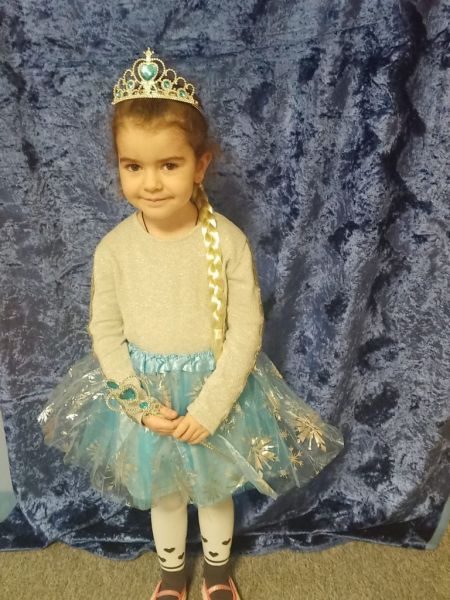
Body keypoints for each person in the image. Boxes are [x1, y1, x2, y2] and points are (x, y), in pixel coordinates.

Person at [37, 47, 345, 600]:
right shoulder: (113, 249)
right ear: (118, 166)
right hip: (148, 395)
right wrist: (135, 402)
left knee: (214, 489)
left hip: (214, 391)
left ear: (201, 164)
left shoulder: (226, 241)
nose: (151, 183)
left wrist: (211, 407)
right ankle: (172, 573)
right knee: (166, 493)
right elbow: (104, 331)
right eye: (133, 166)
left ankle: (218, 573)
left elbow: (246, 329)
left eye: (169, 165)